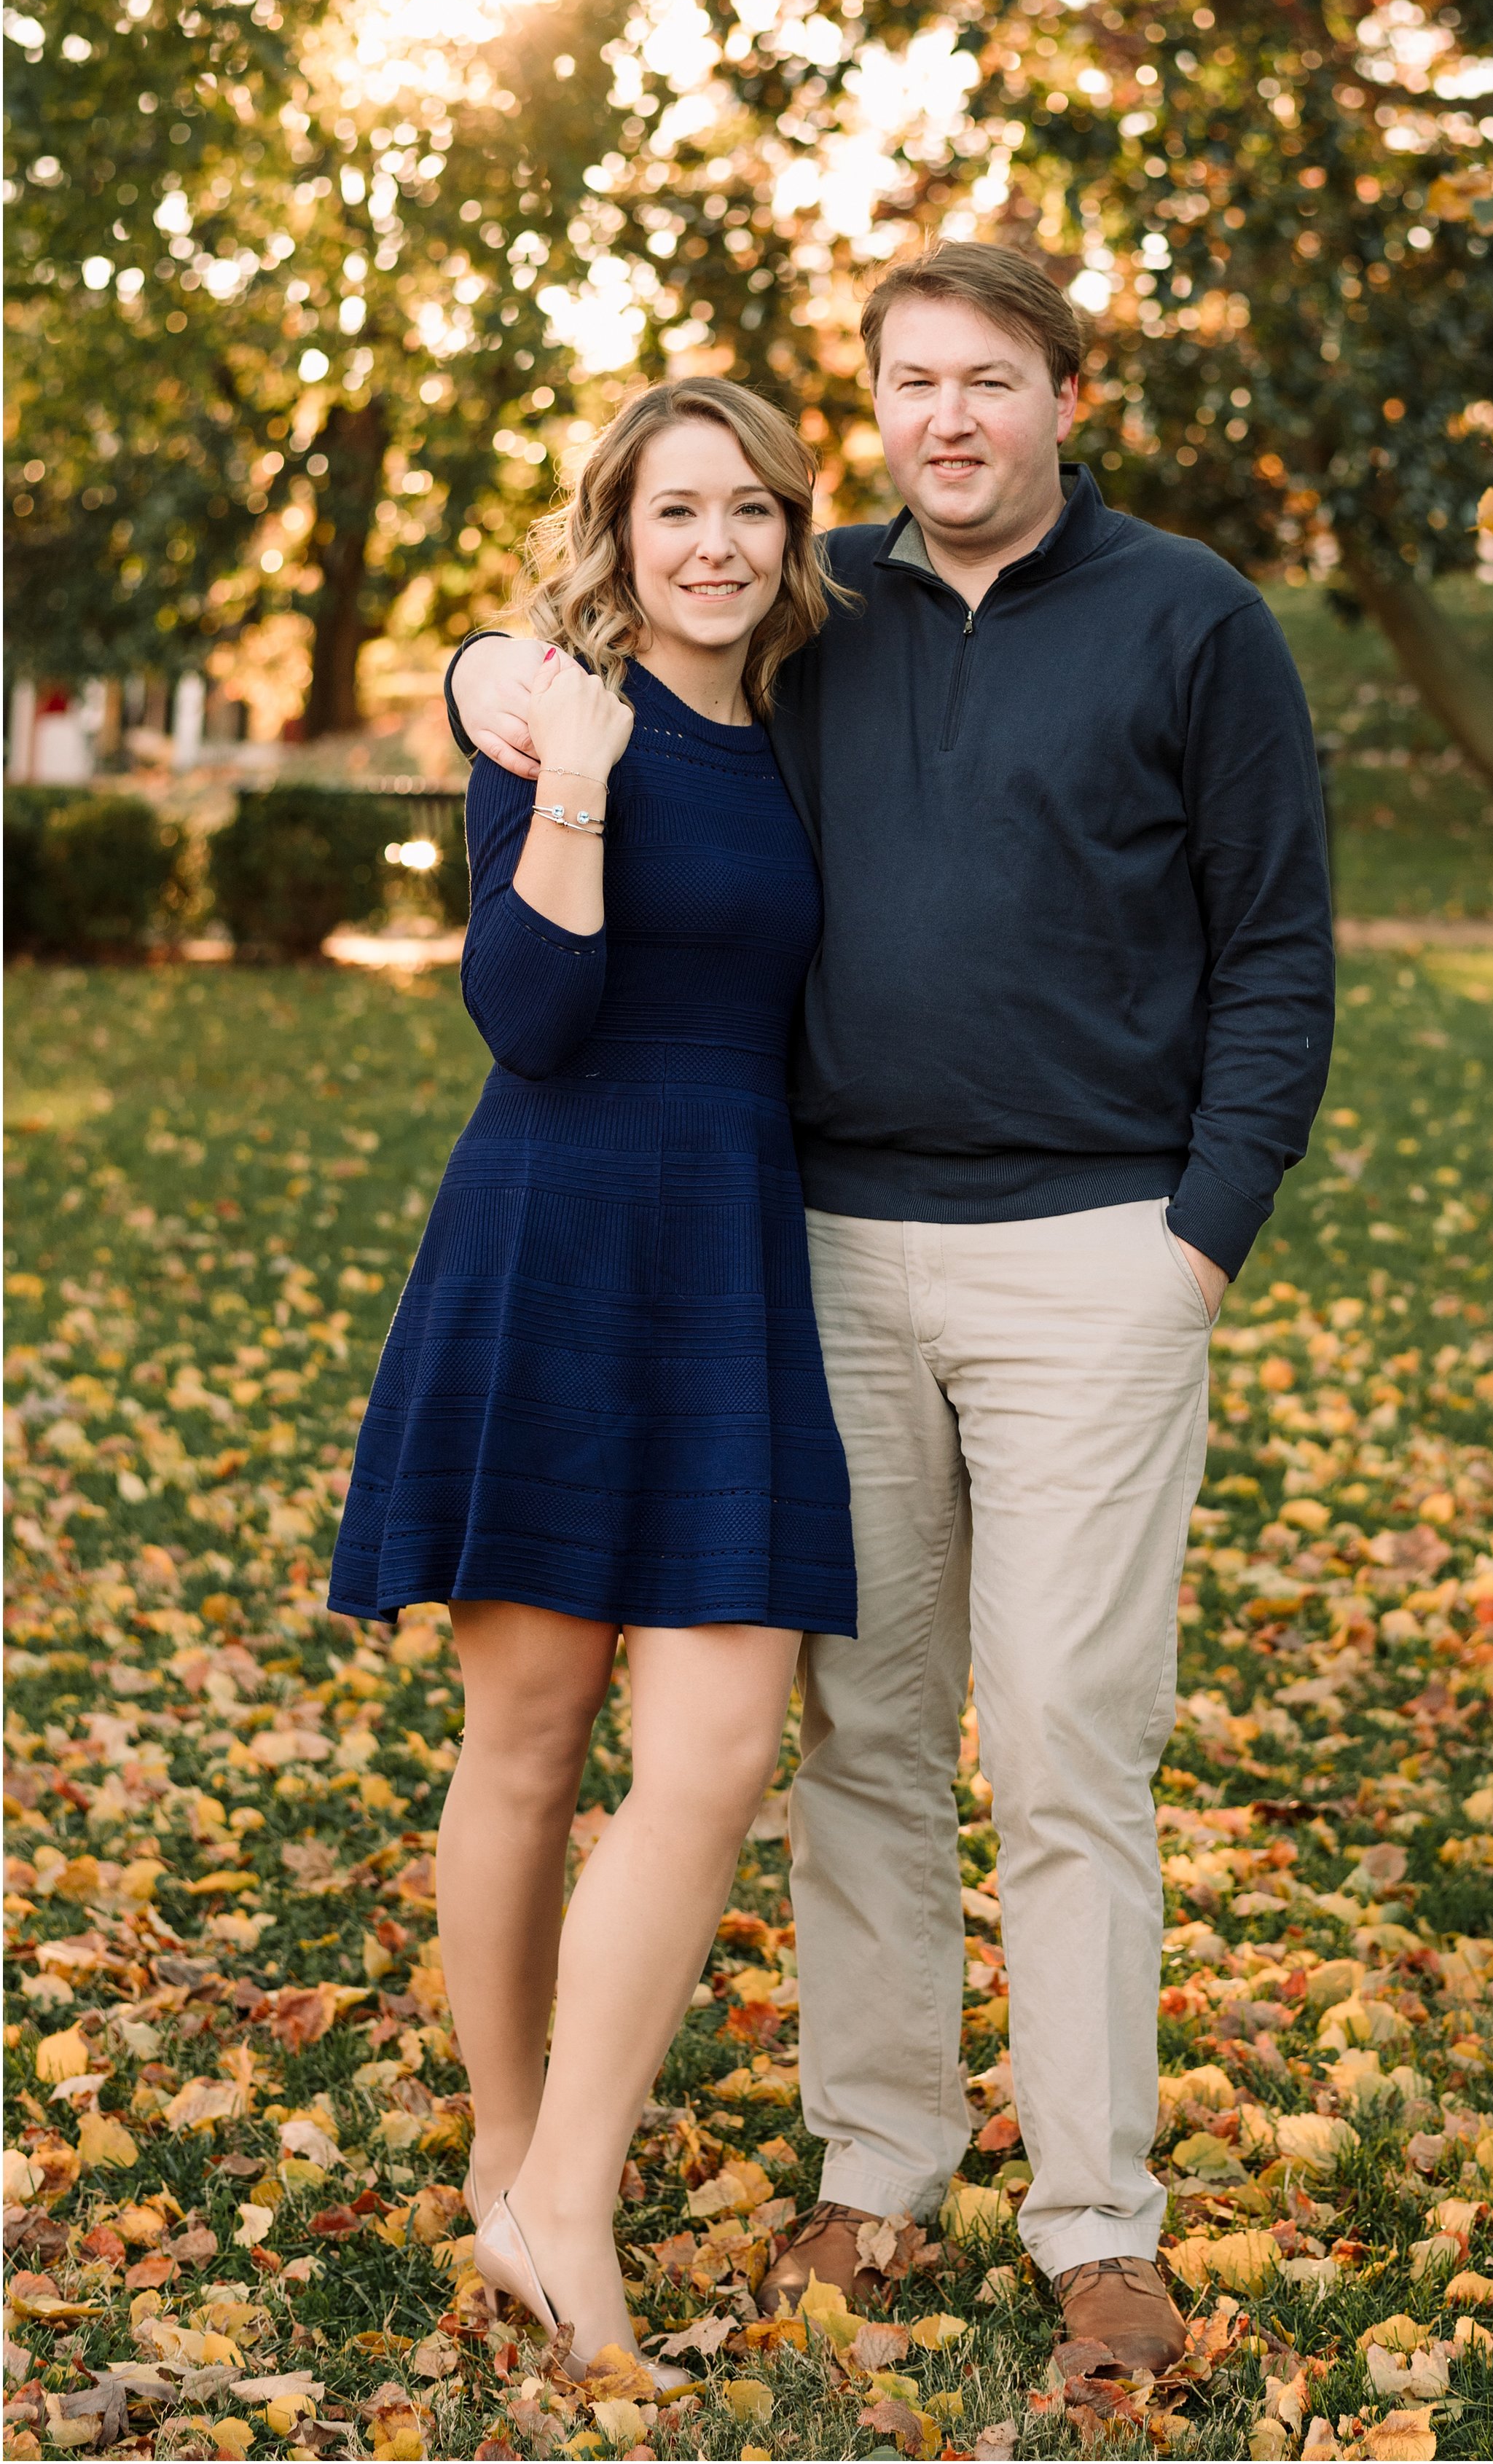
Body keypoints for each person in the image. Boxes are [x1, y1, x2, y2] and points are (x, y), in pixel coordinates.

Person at [447, 243, 1333, 2372]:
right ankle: (876, 2167)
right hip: (821, 1252)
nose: (951, 417)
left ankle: (1097, 2209)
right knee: (855, 1738)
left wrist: (1195, 1232)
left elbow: (1277, 948)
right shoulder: (817, 608)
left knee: (1060, 1740)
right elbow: (616, 637)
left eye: (991, 379)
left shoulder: (1190, 618)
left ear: (1061, 392)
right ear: (877, 406)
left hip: (1095, 1255)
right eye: (912, 382)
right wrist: (497, 674)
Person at [329, 378, 857, 2379]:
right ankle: (507, 2157)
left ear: (792, 533)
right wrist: (563, 781)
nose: (710, 543)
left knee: (717, 1742)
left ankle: (568, 2176)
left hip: (730, 1253)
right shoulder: (550, 711)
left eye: (747, 508)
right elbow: (528, 1017)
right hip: (554, 1236)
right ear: (618, 530)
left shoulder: (810, 721)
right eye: (672, 510)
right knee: (531, 1740)